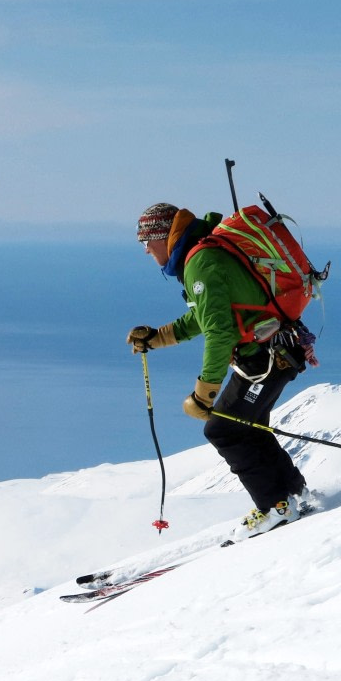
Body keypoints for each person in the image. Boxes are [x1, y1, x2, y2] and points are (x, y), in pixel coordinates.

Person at [127, 202, 309, 536]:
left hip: (265, 358)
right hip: (278, 350)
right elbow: (208, 316)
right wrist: (157, 337)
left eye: (146, 243)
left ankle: (275, 507)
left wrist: (204, 392)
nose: (146, 252)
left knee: (223, 430)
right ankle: (293, 495)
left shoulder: (200, 261)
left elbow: (219, 332)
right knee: (248, 427)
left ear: (161, 237)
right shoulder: (202, 253)